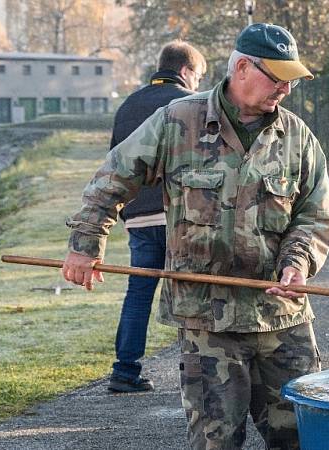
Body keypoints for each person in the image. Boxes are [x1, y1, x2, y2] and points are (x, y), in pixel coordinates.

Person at [62, 23, 329, 450]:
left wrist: (298, 262)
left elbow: (314, 215)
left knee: (304, 436)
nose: (285, 89)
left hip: (281, 318)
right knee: (215, 442)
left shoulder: (297, 137)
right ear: (242, 67)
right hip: (207, 321)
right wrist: (85, 244)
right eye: (277, 77)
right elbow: (111, 179)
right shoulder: (177, 121)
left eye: (291, 80)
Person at [107, 40, 206, 394]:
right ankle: (195, 372)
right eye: (198, 76)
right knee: (191, 294)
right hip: (180, 215)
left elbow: (116, 166)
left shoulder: (127, 106)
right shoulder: (189, 104)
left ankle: (124, 370)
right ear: (185, 71)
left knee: (138, 294)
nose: (197, 84)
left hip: (138, 218)